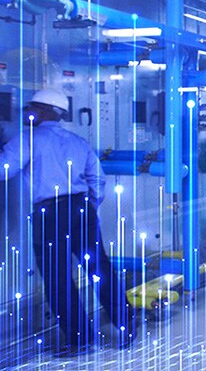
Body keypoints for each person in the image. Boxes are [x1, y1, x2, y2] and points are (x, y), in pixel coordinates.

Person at [0, 88, 133, 351]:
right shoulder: (76, 141)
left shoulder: (28, 139)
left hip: (50, 213)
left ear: (47, 111)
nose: (28, 112)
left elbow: (4, 169)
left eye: (33, 107)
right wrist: (89, 204)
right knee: (99, 268)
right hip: (82, 208)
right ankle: (127, 326)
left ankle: (79, 339)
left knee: (57, 277)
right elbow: (98, 178)